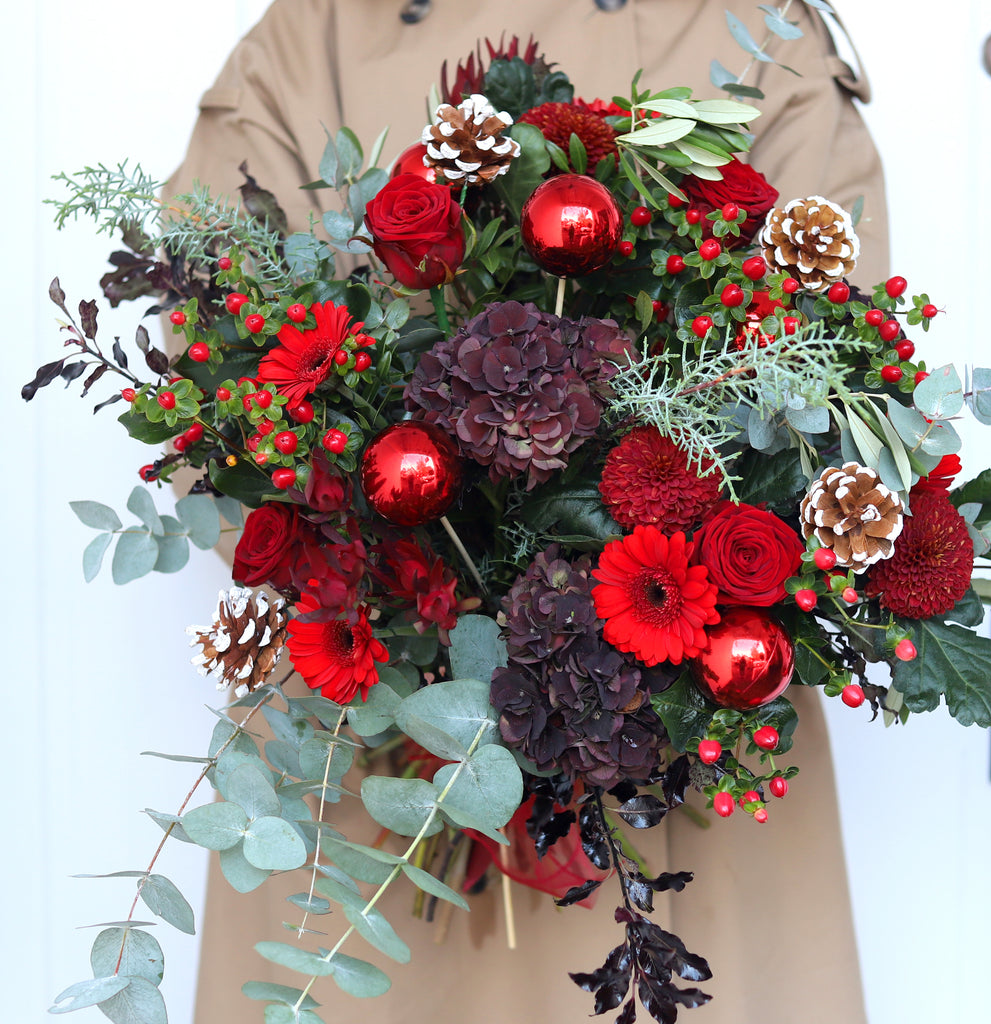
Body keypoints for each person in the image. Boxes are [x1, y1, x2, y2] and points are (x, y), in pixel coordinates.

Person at [166, 3, 885, 1021]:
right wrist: (426, 548)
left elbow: (835, 371)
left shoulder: (746, 26)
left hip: (691, 710)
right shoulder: (316, 33)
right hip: (376, 721)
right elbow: (213, 364)